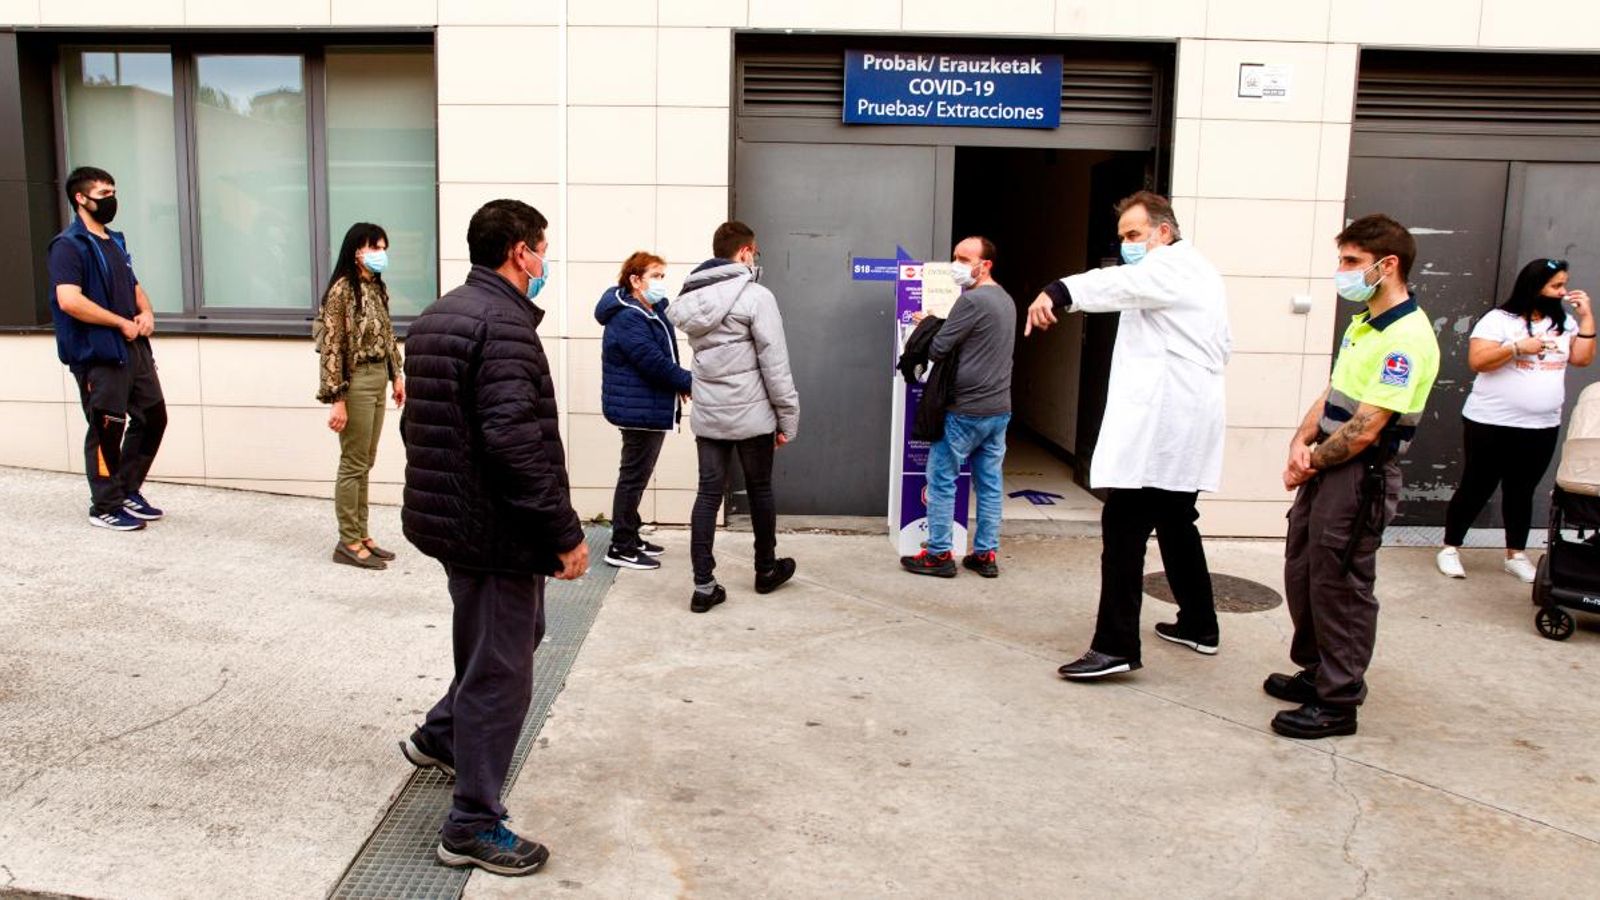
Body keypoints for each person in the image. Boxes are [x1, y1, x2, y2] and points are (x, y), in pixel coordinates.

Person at [397, 199, 589, 877]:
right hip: (493, 530)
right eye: (542, 248)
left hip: (456, 521)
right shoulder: (503, 326)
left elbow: (421, 425)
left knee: (509, 637)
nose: (545, 261)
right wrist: (564, 532)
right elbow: (513, 442)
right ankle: (471, 825)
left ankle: (441, 736)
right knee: (500, 674)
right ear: (518, 252)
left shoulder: (439, 315)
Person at [1025, 191, 1231, 680]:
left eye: (1135, 234)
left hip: (1166, 429)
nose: (1127, 245)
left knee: (1123, 528)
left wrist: (1058, 291)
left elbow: (1118, 284)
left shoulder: (1172, 267)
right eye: (1122, 237)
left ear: (1164, 232)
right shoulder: (1198, 272)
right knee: (1177, 522)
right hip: (1185, 424)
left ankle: (1115, 645)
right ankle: (1199, 624)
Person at [1270, 213, 1440, 739]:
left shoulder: (1407, 338)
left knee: (1341, 584)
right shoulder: (1364, 322)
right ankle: (1318, 671)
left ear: (1387, 266)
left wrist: (1310, 462)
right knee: (1304, 570)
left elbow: (1367, 428)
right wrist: (1300, 442)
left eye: (1351, 262)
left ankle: (1338, 702)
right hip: (1326, 465)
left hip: (1357, 476)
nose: (1341, 272)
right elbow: (1334, 392)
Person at [667, 220, 800, 613]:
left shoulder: (692, 299)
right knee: (760, 489)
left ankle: (703, 586)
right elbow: (775, 365)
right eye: (754, 253)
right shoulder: (757, 297)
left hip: (710, 413)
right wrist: (787, 419)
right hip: (753, 413)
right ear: (744, 252)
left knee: (708, 493)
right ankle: (766, 570)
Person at [1436, 258, 1596, 583]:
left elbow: (1581, 359)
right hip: (1491, 422)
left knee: (1522, 490)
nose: (1563, 292)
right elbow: (1478, 361)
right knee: (1477, 485)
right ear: (1534, 287)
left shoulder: (1563, 322)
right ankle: (1450, 547)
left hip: (1541, 426)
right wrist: (1517, 348)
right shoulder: (1499, 320)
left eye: (1564, 284)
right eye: (1556, 286)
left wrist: (1587, 317)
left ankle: (1515, 554)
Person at [48, 165, 167, 531]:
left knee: (153, 418)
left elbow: (133, 285)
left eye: (114, 192)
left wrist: (146, 312)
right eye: (103, 194)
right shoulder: (68, 245)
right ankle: (105, 505)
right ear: (80, 198)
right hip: (98, 354)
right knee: (106, 430)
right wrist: (119, 322)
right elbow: (69, 300)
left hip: (133, 348)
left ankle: (128, 489)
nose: (112, 200)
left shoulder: (115, 241)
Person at [900, 236, 1015, 579]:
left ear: (985, 265)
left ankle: (938, 554)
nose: (957, 265)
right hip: (999, 409)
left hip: (964, 409)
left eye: (965, 259)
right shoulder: (1006, 299)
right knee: (989, 484)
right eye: (956, 257)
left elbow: (938, 349)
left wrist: (928, 323)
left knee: (941, 481)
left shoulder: (972, 301)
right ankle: (985, 554)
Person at [595, 251, 693, 571]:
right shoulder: (628, 317)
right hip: (638, 408)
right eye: (655, 276)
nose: (661, 283)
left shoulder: (650, 309)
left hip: (647, 405)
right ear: (635, 280)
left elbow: (662, 357)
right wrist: (689, 381)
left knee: (637, 475)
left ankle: (631, 534)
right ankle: (621, 546)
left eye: (663, 276)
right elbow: (652, 361)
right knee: (633, 478)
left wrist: (678, 384)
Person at [317, 222, 405, 570]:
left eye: (384, 247)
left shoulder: (376, 287)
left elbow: (387, 333)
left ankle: (362, 534)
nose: (381, 254)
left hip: (378, 375)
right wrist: (336, 398)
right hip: (355, 381)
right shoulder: (342, 291)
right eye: (375, 247)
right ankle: (348, 540)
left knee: (365, 461)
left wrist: (396, 375)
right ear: (357, 251)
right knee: (353, 462)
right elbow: (332, 346)